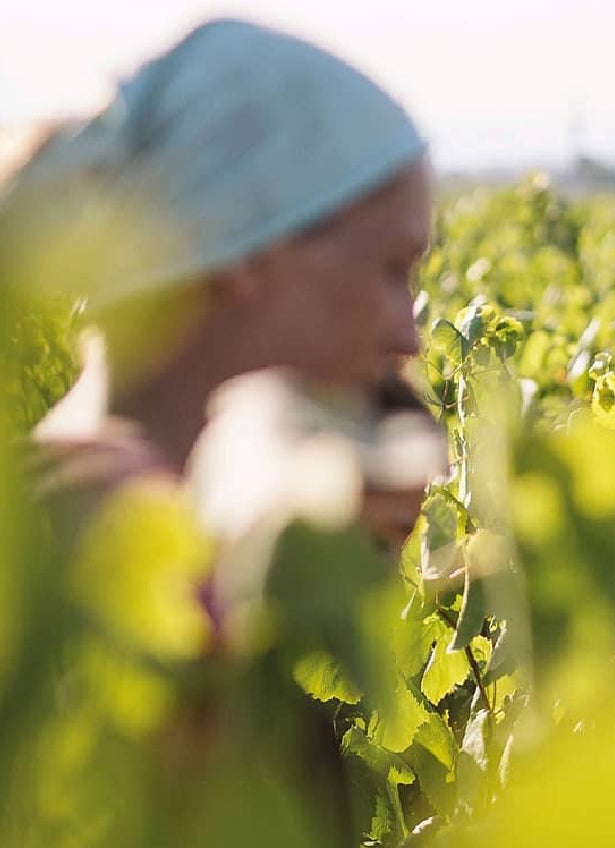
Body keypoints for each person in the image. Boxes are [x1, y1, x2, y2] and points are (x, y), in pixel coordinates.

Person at [0, 18, 443, 844]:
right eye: (390, 270)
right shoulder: (146, 562)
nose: (407, 335)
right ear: (251, 253)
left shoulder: (54, 505)